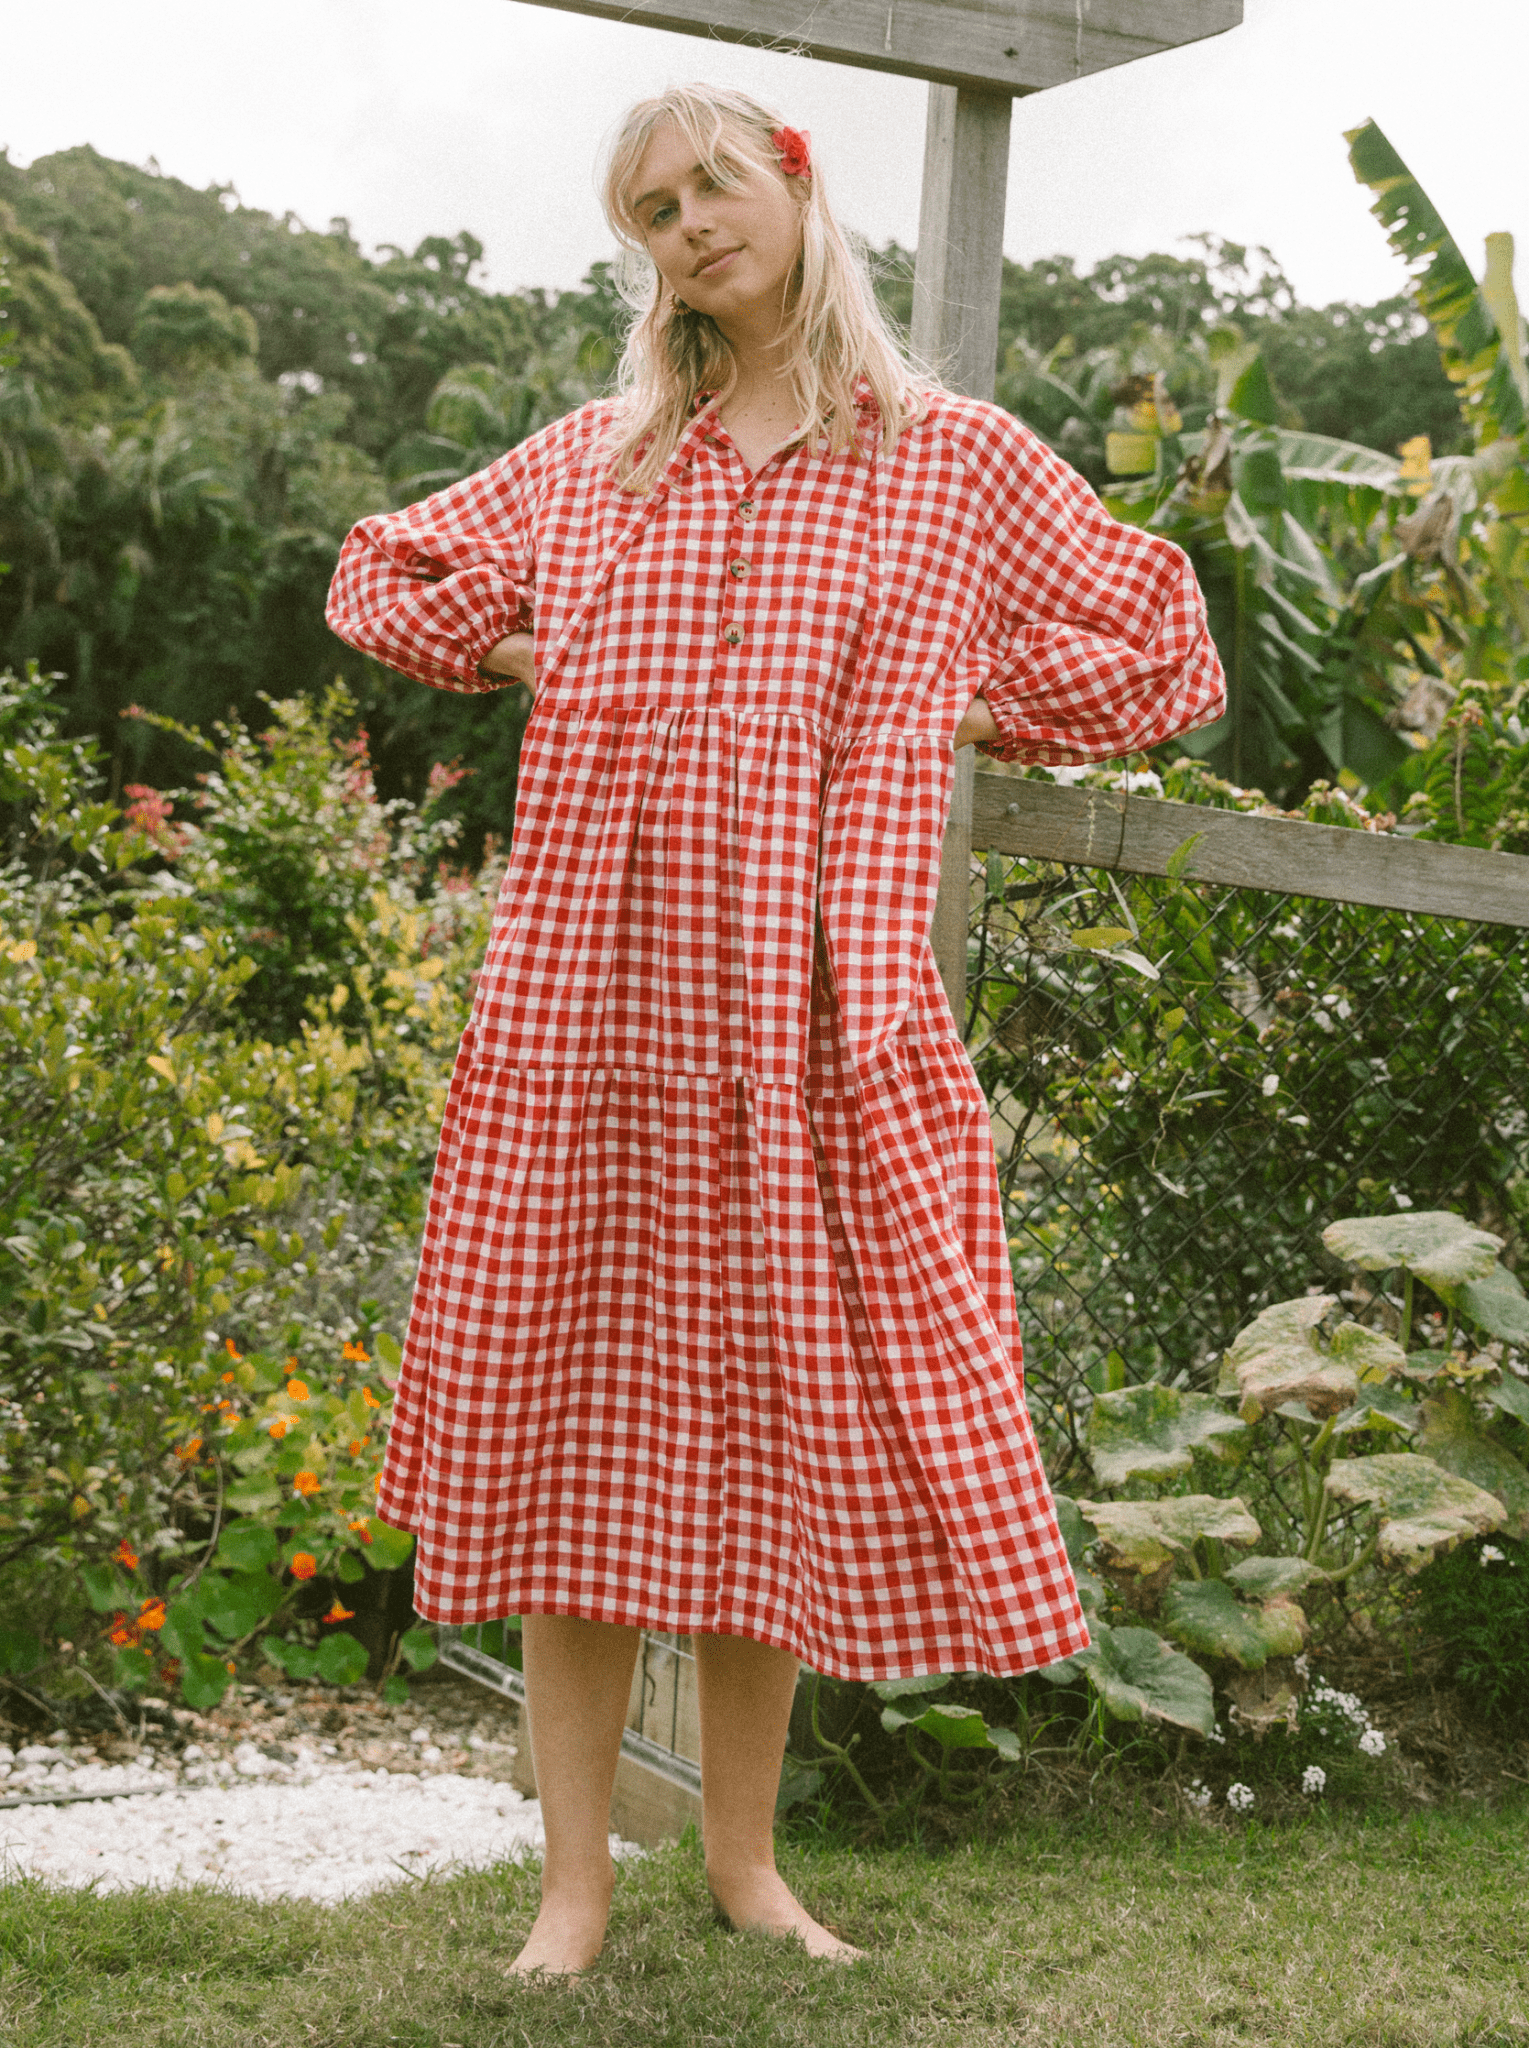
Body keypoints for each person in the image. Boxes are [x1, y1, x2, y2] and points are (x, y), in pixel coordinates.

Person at [326, 84, 1225, 1976]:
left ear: (793, 184)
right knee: (568, 1454)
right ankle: (572, 1893)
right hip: (581, 1028)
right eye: (650, 210)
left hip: (808, 1033)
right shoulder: (598, 463)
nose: (685, 227)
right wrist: (523, 651)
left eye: (708, 186)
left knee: (765, 1459)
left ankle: (742, 1867)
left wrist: (969, 694)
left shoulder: (950, 464)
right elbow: (378, 571)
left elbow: (1162, 644)